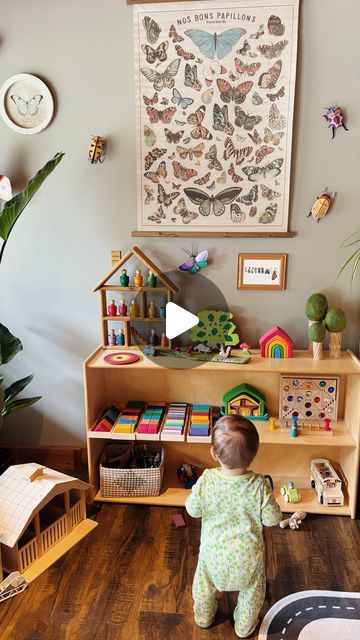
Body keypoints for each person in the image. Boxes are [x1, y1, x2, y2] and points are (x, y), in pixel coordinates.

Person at [185, 414, 282, 638]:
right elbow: (272, 519)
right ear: (254, 453)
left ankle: (203, 616)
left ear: (214, 453)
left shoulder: (207, 479)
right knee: (252, 592)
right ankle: (244, 627)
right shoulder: (259, 485)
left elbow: (192, 510)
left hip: (213, 558)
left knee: (203, 588)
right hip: (248, 561)